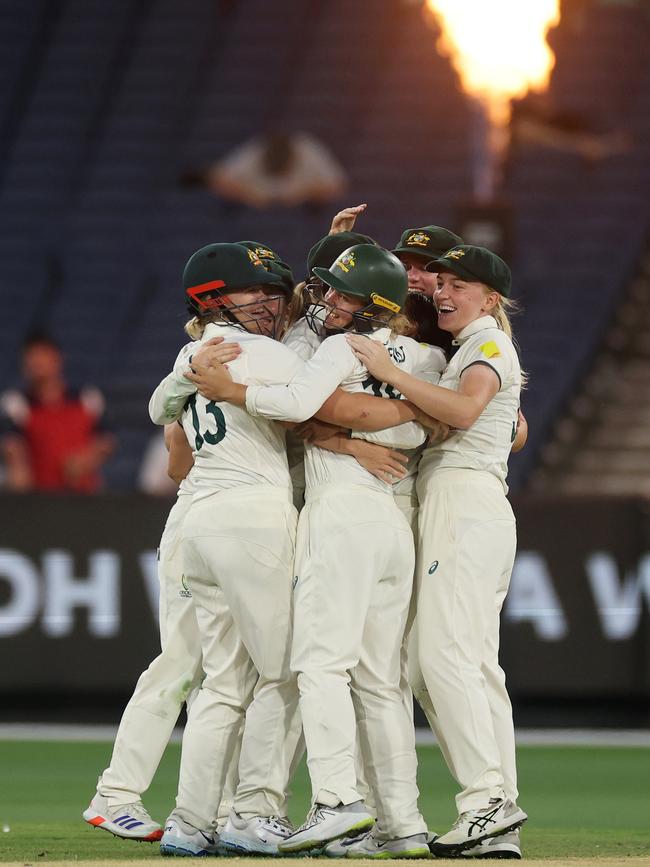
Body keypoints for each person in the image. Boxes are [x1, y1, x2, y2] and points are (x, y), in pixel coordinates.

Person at [186, 244, 446, 858]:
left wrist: (231, 390)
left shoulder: (337, 347)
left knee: (318, 666)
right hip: (392, 519)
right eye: (327, 287)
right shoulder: (429, 358)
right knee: (382, 682)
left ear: (372, 307)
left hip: (340, 516)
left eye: (342, 294)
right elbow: (428, 424)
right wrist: (370, 431)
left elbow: (295, 406)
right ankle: (402, 824)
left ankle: (336, 802)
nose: (327, 301)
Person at [346, 245, 528, 858]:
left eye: (461, 285)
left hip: (463, 501)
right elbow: (499, 419)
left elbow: (467, 409)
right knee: (472, 667)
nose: (443, 294)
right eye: (441, 283)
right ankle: (496, 816)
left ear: (491, 298)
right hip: (471, 502)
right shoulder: (476, 346)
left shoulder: (487, 345)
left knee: (438, 661)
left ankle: (487, 803)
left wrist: (393, 374)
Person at [0, 332, 114, 492]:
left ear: (57, 358)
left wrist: (86, 460)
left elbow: (106, 440)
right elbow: (12, 447)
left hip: (83, 496)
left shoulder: (86, 398)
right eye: (31, 357)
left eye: (42, 356)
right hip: (38, 497)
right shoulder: (16, 403)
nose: (36, 363)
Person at [200, 130, 347, 209]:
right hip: (254, 211)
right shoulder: (255, 151)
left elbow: (337, 186)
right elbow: (217, 177)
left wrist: (304, 195)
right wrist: (249, 196)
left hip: (303, 211)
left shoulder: (309, 152)